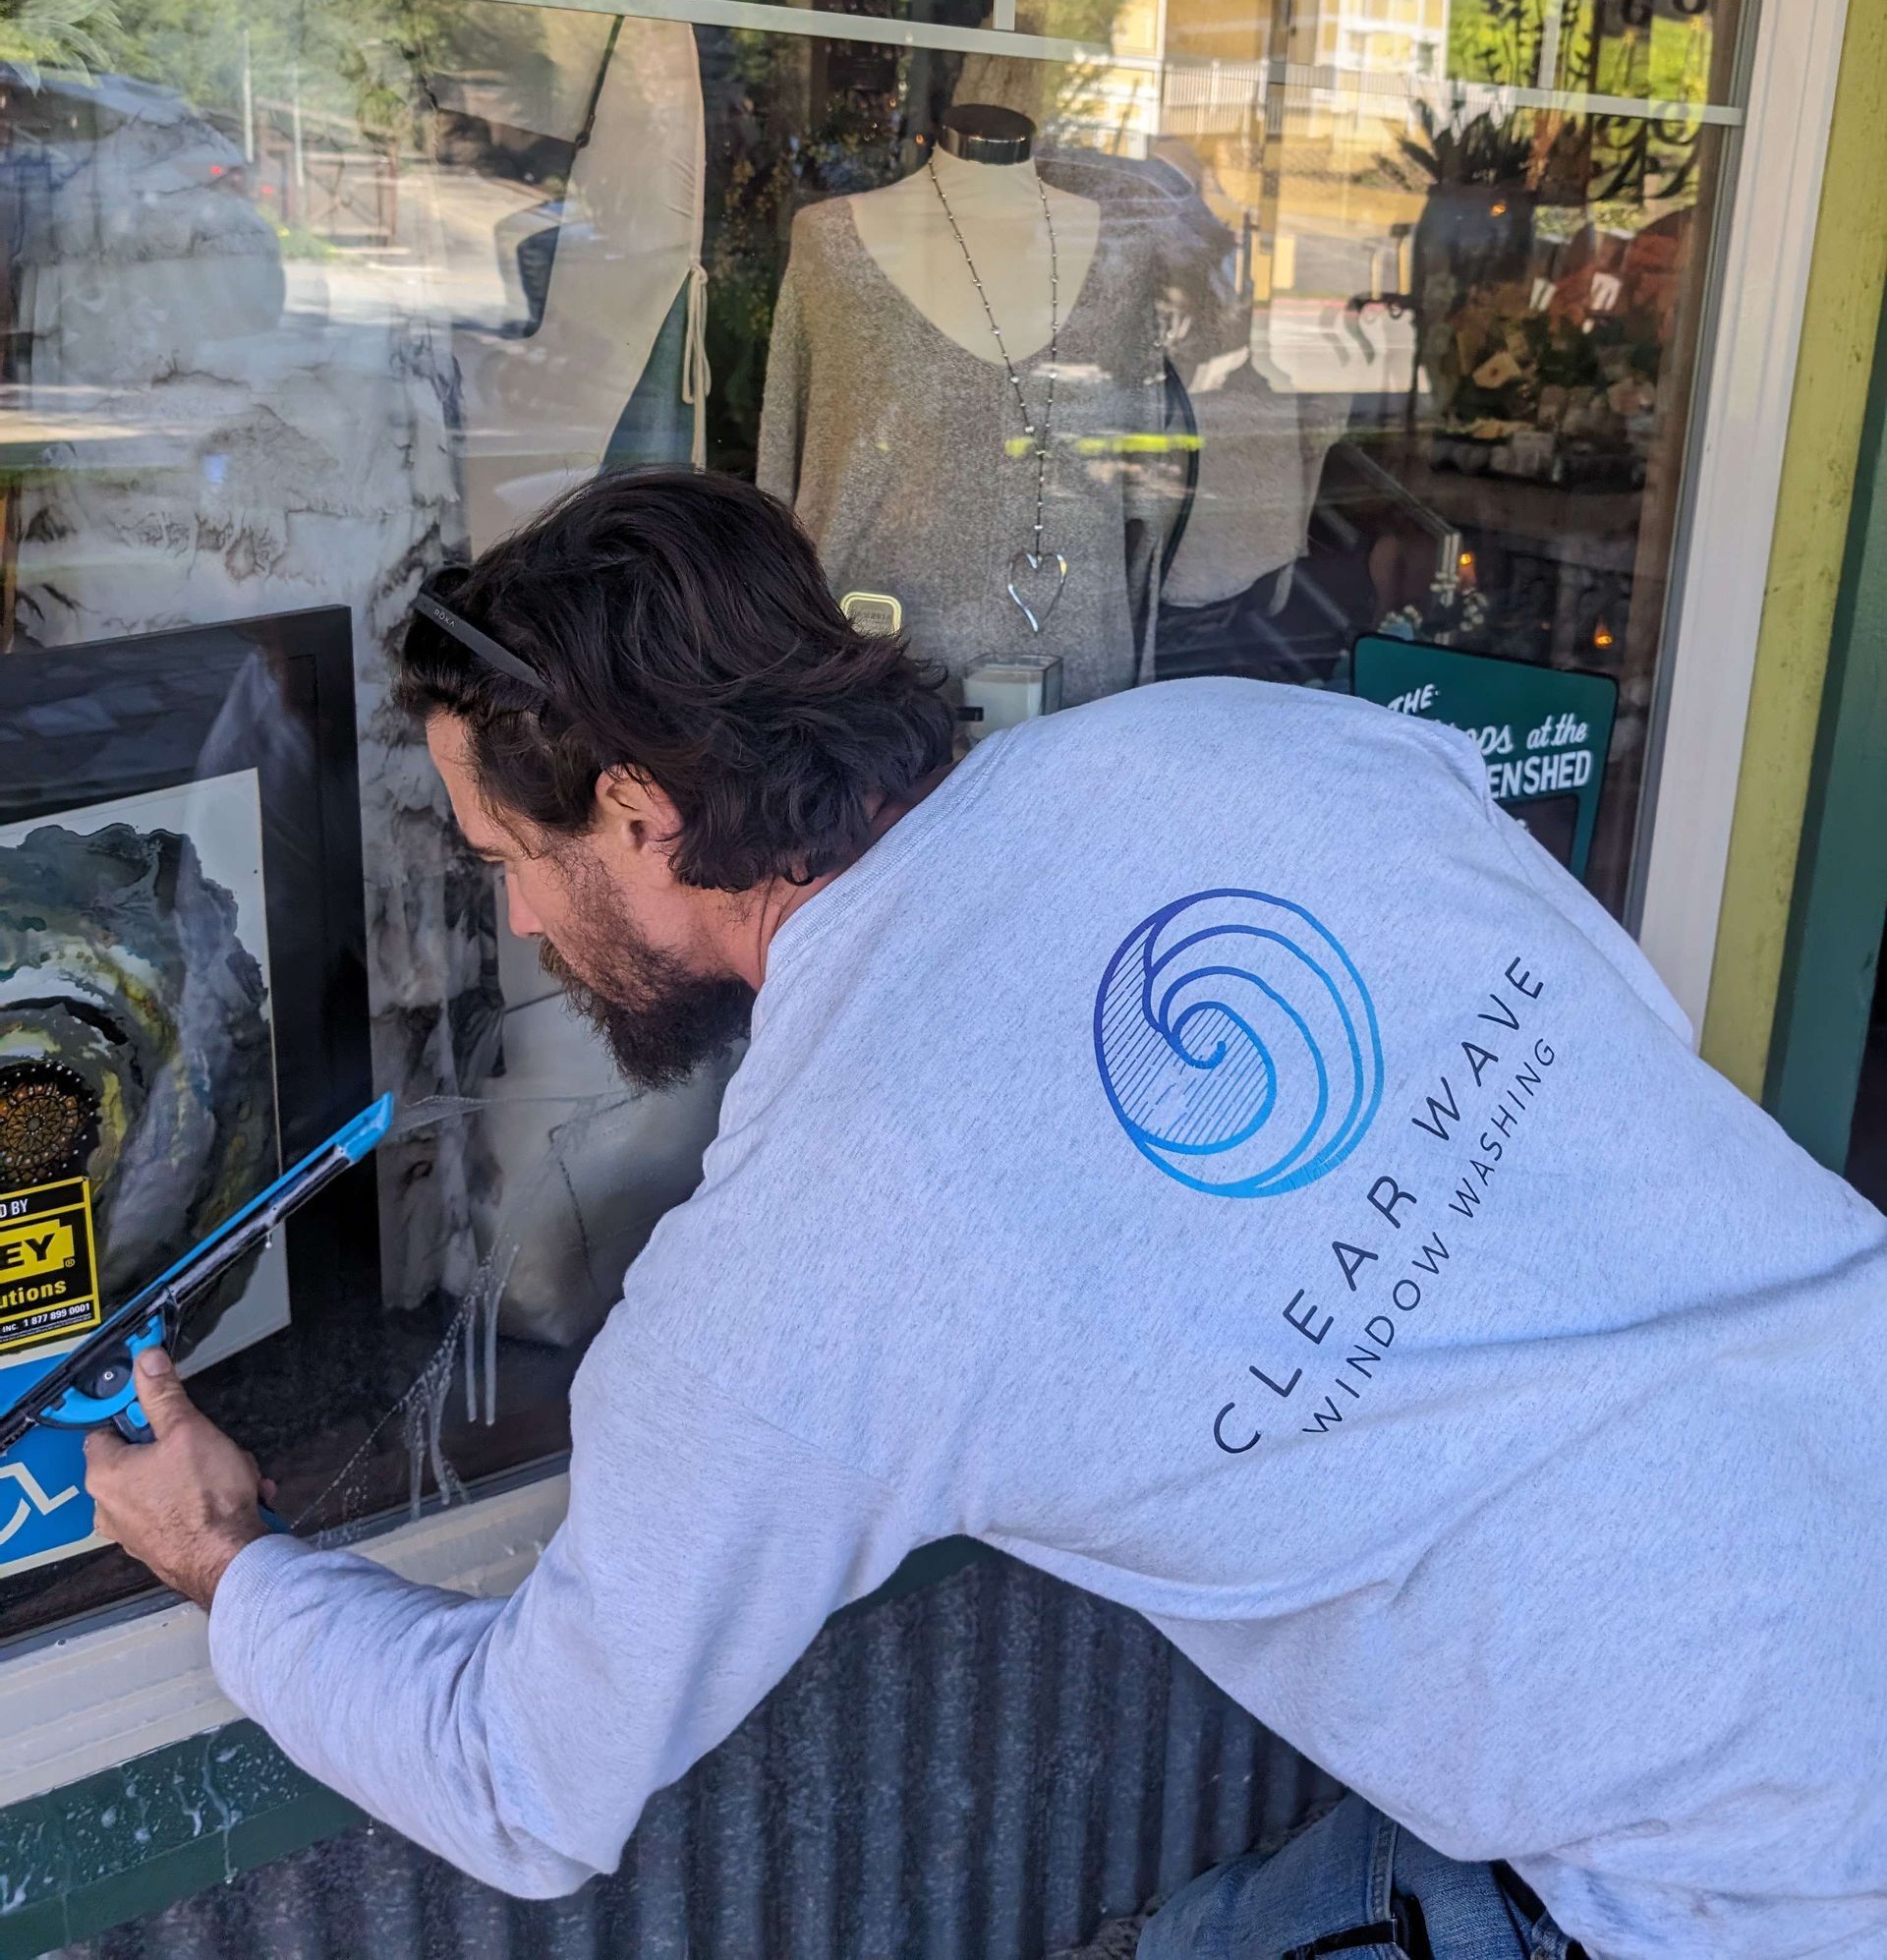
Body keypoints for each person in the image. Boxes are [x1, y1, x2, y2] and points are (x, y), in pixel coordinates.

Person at [86, 469, 1887, 1960]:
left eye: (515, 868)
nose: (527, 935)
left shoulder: (810, 1253)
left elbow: (520, 1779)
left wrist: (227, 1566)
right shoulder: (1266, 743)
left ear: (636, 811)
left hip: (1749, 1886)